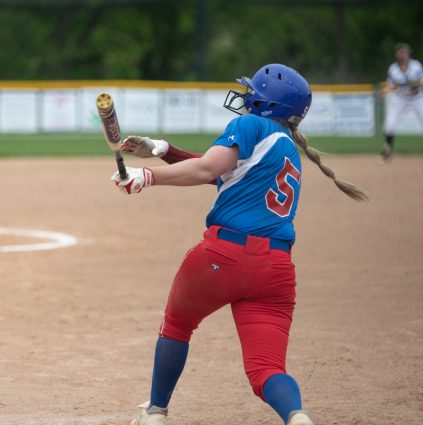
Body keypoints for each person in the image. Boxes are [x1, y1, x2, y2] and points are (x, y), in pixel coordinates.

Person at [111, 64, 368, 425]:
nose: (246, 97)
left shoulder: (249, 125)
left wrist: (147, 176)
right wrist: (161, 149)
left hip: (224, 255)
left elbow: (207, 170)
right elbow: (222, 173)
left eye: (253, 93)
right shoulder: (286, 148)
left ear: (266, 104)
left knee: (178, 324)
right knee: (266, 369)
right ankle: (297, 417)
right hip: (276, 270)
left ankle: (155, 411)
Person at [381, 42, 423, 162]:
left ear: (409, 54)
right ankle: (388, 152)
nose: (402, 55)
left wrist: (420, 84)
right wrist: (384, 91)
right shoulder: (393, 69)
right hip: (400, 99)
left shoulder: (416, 66)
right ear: (396, 55)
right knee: (389, 126)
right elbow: (390, 85)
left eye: (404, 52)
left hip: (417, 98)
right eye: (400, 53)